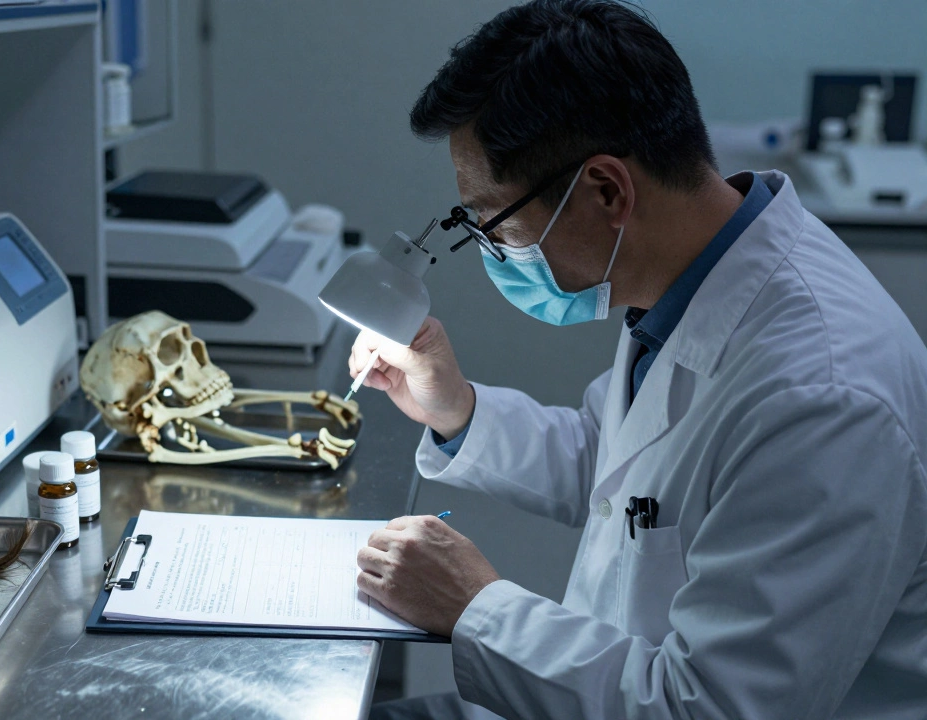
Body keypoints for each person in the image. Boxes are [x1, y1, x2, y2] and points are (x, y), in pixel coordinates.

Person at [353, 1, 927, 718]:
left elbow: (712, 708)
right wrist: (459, 411)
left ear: (606, 190)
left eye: (494, 223)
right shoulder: (692, 282)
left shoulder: (821, 398)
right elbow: (622, 468)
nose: (494, 250)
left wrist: (475, 607)